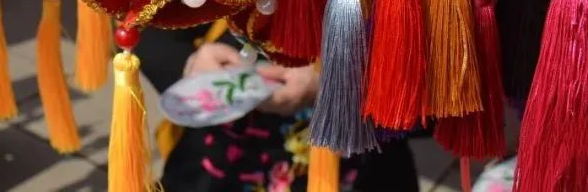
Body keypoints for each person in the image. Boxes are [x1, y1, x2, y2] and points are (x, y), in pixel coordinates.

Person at [138, 28, 420, 192]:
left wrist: (339, 82)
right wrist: (191, 67)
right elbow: (142, 25)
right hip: (215, 165)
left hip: (362, 164)